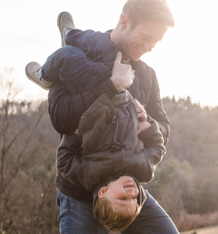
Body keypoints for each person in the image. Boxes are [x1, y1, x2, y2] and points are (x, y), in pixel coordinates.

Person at [27, 0, 179, 233]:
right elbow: (61, 119)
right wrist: (111, 86)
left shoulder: (146, 75)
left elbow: (164, 129)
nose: (150, 47)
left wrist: (147, 123)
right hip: (79, 192)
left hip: (128, 193)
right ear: (125, 21)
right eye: (147, 37)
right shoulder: (75, 62)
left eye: (156, 42)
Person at [56, 87, 166, 231]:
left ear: (103, 192)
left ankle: (51, 74)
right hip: (127, 102)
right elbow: (157, 149)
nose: (132, 194)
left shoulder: (89, 175)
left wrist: (74, 135)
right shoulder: (143, 171)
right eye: (134, 200)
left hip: (95, 106)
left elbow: (64, 162)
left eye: (123, 199)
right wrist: (148, 127)